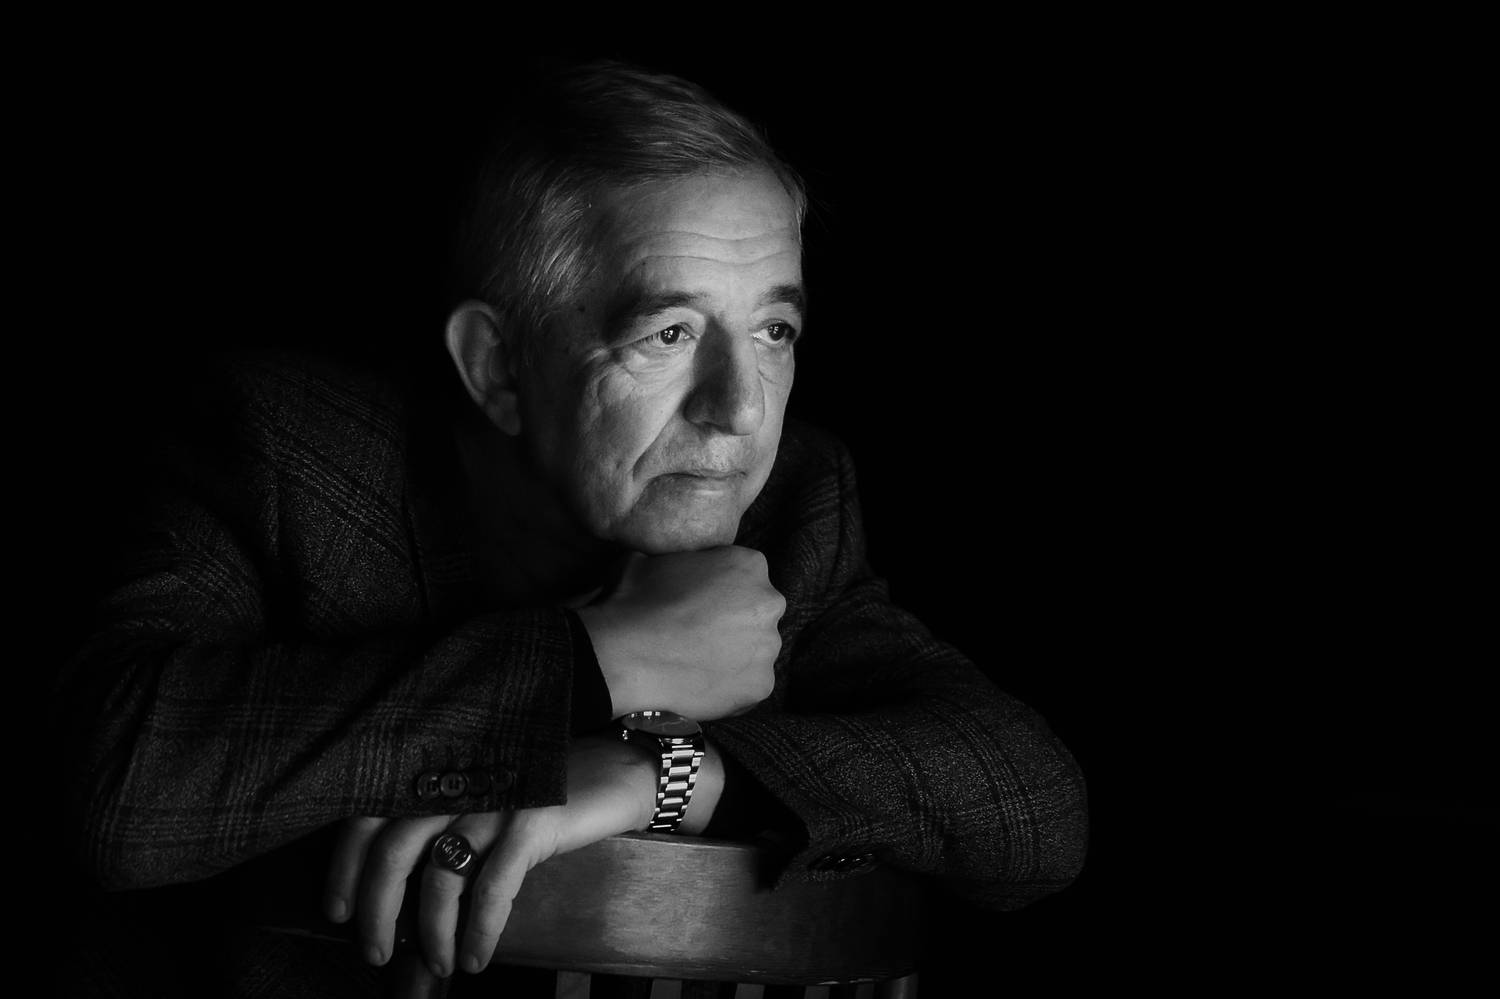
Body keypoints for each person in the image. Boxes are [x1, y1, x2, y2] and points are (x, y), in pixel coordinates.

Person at [57, 60, 1087, 997]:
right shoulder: (285, 452)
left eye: (774, 331)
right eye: (669, 333)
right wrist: (596, 663)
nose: (739, 410)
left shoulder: (795, 503)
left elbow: (1034, 808)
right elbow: (109, 789)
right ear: (497, 368)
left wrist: (668, 773)